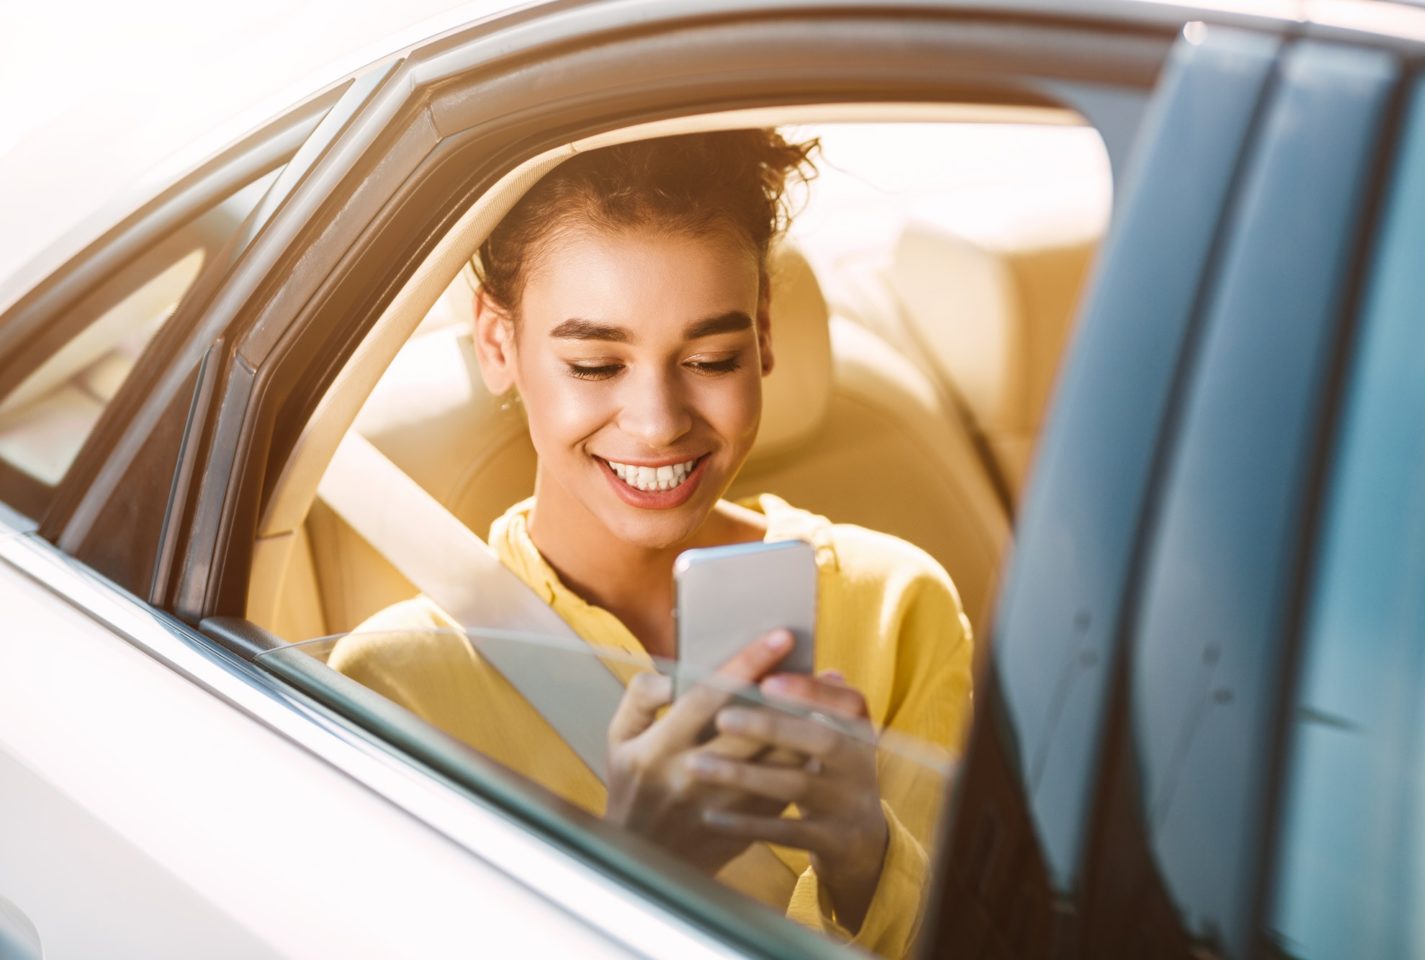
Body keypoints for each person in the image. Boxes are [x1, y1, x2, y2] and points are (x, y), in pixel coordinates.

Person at [328, 129, 973, 958]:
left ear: (765, 331)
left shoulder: (898, 607)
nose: (660, 421)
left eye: (711, 357)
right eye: (596, 365)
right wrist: (634, 869)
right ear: (499, 345)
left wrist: (867, 856)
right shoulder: (396, 687)